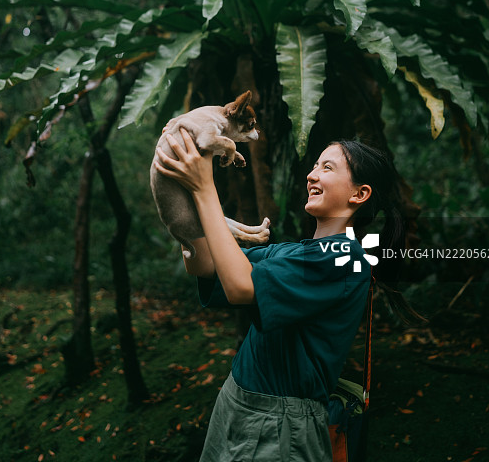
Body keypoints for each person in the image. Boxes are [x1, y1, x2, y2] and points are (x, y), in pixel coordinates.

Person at [154, 130, 411, 462]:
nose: (311, 174)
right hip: (235, 402)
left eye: (328, 168)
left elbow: (241, 288)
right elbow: (203, 266)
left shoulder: (345, 258)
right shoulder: (292, 252)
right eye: (315, 165)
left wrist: (203, 189)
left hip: (278, 425)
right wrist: (180, 199)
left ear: (359, 194)